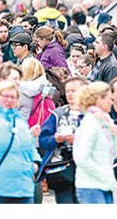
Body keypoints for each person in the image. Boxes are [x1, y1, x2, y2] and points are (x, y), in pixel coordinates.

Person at [38, 76, 88, 204]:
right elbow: (43, 140)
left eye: (74, 90)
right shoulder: (58, 114)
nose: (70, 94)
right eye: (68, 91)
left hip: (87, 170)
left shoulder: (93, 114)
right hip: (62, 170)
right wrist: (55, 139)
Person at [72, 81, 117, 204]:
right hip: (90, 187)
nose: (112, 102)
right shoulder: (90, 123)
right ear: (98, 99)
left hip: (104, 185)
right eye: (109, 99)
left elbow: (111, 154)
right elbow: (81, 157)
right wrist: (103, 174)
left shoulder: (103, 120)